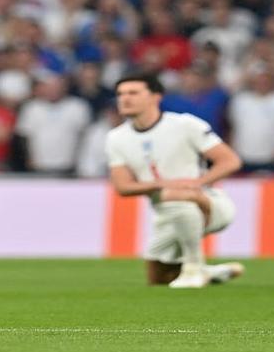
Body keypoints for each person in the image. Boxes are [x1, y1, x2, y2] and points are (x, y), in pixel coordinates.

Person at [105, 72, 246, 288]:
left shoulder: (184, 124)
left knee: (175, 195)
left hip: (209, 203)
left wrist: (198, 183)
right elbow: (123, 187)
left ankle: (194, 267)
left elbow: (230, 161)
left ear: (155, 97)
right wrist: (163, 184)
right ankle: (211, 272)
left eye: (133, 92)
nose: (125, 98)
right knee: (159, 278)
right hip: (166, 214)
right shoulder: (116, 138)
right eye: (120, 94)